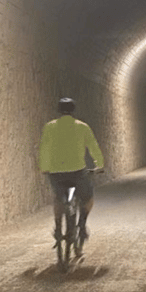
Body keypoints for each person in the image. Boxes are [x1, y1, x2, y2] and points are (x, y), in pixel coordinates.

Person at [39, 97, 104, 247]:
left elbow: (44, 148)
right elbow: (93, 147)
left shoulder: (49, 127)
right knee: (88, 198)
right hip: (77, 172)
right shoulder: (82, 127)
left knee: (58, 197)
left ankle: (57, 227)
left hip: (56, 172)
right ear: (73, 110)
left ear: (59, 110)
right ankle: (81, 225)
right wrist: (99, 165)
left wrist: (44, 167)